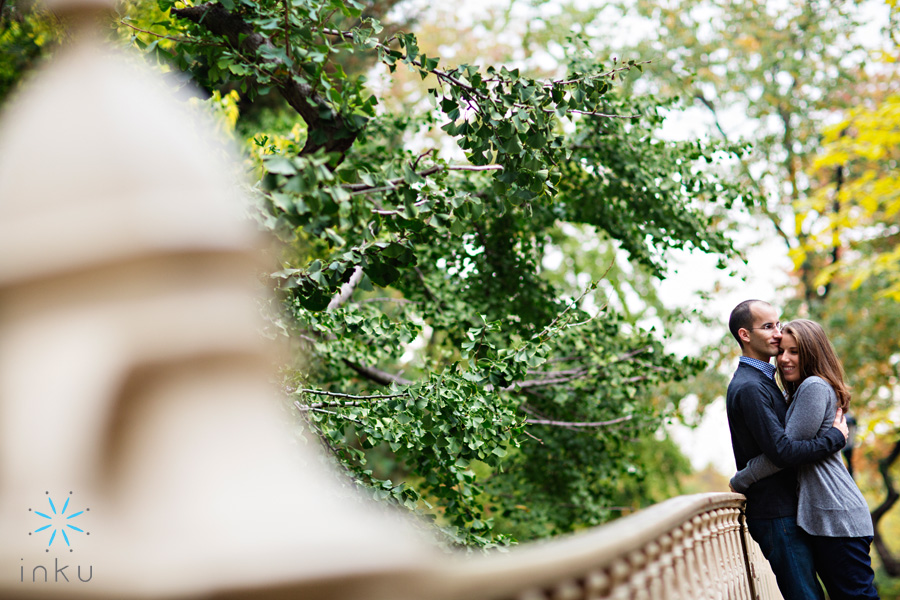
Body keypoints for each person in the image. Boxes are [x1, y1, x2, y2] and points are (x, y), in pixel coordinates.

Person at [730, 319, 879, 600]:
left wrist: (742, 478)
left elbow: (783, 454)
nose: (784, 359)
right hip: (827, 517)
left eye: (795, 351)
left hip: (837, 516)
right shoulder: (802, 389)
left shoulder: (812, 387)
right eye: (782, 352)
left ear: (812, 352)